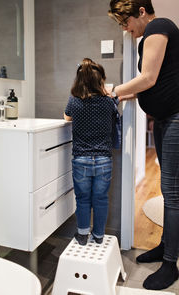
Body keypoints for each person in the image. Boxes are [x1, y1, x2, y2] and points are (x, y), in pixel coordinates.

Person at [108, 0, 179, 291]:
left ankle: (170, 264)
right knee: (167, 189)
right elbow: (156, 84)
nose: (126, 29)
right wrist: (120, 97)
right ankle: (165, 247)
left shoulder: (159, 27)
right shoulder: (150, 36)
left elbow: (148, 79)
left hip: (175, 118)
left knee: (172, 194)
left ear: (140, 11)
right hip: (165, 119)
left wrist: (113, 90)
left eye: (126, 21)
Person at [64, 58, 120, 246]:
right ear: (100, 81)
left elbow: (66, 116)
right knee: (101, 199)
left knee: (83, 199)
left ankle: (82, 235)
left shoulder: (74, 101)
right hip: (104, 159)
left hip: (81, 159)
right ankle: (98, 236)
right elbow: (114, 112)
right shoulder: (107, 102)